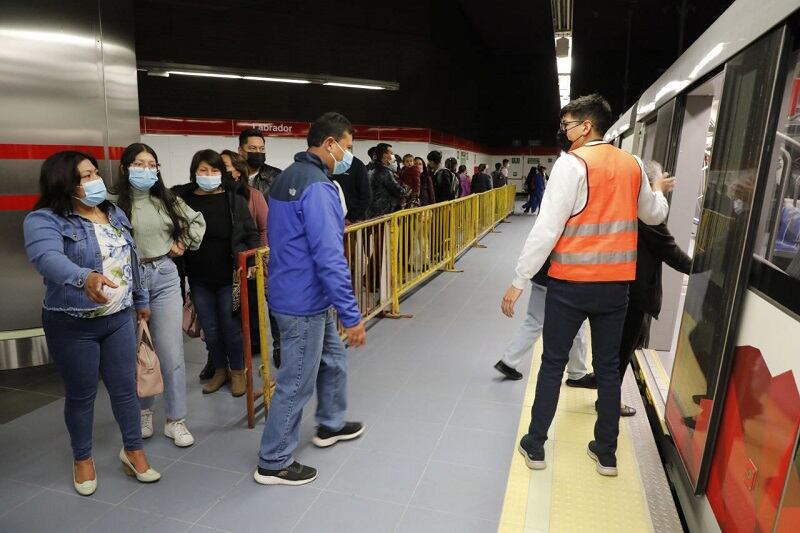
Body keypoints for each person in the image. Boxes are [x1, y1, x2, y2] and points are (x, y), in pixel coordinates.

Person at [501, 94, 674, 477]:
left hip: (569, 286)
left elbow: (546, 230)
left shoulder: (571, 165)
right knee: (609, 368)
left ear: (585, 127)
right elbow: (654, 214)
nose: (563, 132)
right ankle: (606, 453)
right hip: (615, 289)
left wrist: (519, 279)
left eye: (566, 125)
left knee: (552, 365)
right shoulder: (631, 165)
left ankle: (535, 446)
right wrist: (659, 188)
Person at [23, 151, 161, 496]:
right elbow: (47, 258)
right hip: (72, 323)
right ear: (64, 182)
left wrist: (140, 302)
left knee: (124, 390)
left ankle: (133, 451)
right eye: (85, 176)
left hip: (118, 318)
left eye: (95, 173)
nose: (95, 180)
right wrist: (83, 277)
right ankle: (82, 458)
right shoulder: (44, 220)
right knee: (82, 395)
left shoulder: (113, 212)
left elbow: (131, 260)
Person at [255, 112, 367, 486]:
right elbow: (329, 255)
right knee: (297, 381)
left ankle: (330, 423)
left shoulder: (288, 176)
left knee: (332, 358)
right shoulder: (318, 187)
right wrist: (351, 315)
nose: (348, 156)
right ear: (330, 144)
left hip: (298, 290)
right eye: (347, 148)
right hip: (303, 300)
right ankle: (273, 460)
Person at [114, 143, 207, 448]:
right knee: (137, 351)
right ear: (125, 167)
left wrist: (182, 242)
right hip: (129, 281)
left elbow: (196, 222)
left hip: (165, 276)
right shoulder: (113, 205)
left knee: (171, 352)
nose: (146, 169)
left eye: (152, 164)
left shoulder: (167, 199)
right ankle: (143, 411)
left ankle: (175, 420)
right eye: (139, 164)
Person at [175, 150, 260, 396]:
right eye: (203, 170)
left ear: (222, 174)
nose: (209, 175)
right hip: (199, 278)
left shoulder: (234, 199)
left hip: (229, 278)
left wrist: (253, 259)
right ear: (194, 172)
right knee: (210, 330)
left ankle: (238, 372)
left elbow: (251, 233)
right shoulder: (183, 199)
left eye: (214, 171)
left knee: (231, 328)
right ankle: (220, 370)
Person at [616, 160, 692, 417]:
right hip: (636, 293)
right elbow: (671, 253)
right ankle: (609, 402)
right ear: (649, 186)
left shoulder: (627, 202)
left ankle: (606, 393)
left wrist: (657, 187)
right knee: (624, 347)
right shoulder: (647, 214)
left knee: (621, 344)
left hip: (621, 286)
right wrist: (703, 269)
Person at [494, 261, 595, 389]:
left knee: (533, 321)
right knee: (576, 325)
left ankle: (508, 362)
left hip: (542, 276)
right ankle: (577, 374)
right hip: (568, 277)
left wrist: (519, 281)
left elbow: (535, 247)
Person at [221, 150, 273, 374]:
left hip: (247, 266)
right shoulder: (211, 196)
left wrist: (258, 259)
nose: (220, 171)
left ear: (238, 171)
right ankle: (220, 360)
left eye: (224, 166)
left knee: (247, 311)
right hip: (220, 268)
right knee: (222, 316)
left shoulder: (253, 196)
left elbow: (263, 228)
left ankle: (251, 353)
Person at [238, 128, 282, 202]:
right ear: (240, 151)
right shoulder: (233, 175)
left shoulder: (276, 176)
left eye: (262, 148)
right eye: (253, 148)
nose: (258, 152)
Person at [366, 143, 406, 218]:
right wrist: (405, 188)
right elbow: (398, 190)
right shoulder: (384, 171)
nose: (393, 155)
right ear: (384, 155)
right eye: (391, 153)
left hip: (370, 211)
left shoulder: (370, 169)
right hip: (381, 212)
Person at [332, 153, 372, 223]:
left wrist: (353, 218)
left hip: (351, 220)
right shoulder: (327, 163)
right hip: (331, 218)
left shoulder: (357, 165)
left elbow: (366, 195)